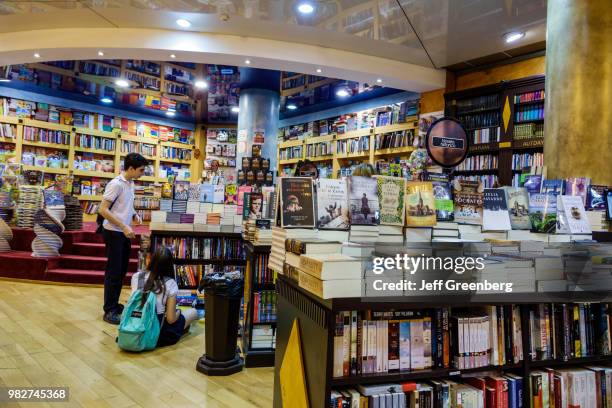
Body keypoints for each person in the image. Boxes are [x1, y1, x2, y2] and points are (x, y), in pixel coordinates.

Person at [99, 153, 148, 324]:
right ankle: (109, 310)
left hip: (122, 231)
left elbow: (125, 204)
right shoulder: (116, 184)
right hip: (113, 232)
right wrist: (124, 226)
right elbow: (103, 210)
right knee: (113, 272)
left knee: (121, 270)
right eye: (141, 170)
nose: (143, 173)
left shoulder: (131, 183)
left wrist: (134, 215)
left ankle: (114, 304)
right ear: (131, 168)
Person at [131, 247, 198, 347]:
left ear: (152, 260)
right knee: (193, 312)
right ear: (169, 265)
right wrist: (178, 312)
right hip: (156, 331)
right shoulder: (170, 283)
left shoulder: (136, 276)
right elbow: (170, 319)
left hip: (135, 325)